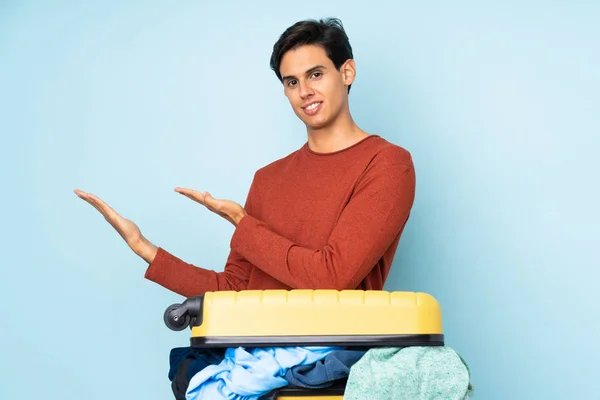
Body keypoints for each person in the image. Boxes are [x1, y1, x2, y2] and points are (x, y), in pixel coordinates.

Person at [74, 17, 416, 298]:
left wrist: (243, 223)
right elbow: (236, 290)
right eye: (291, 81)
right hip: (256, 354)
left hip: (332, 362)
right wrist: (145, 248)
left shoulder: (387, 165)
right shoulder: (268, 179)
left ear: (347, 72)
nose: (304, 91)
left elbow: (331, 277)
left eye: (316, 74)